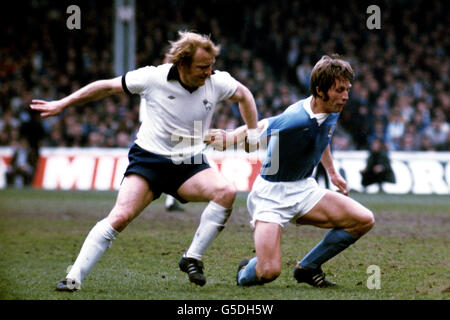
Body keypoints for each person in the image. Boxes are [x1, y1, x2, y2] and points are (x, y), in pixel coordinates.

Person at [30, 31, 259, 291]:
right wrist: (64, 103)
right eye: (202, 67)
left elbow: (245, 95)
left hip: (189, 162)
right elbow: (106, 87)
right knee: (120, 217)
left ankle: (192, 257)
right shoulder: (153, 77)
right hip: (149, 161)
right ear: (182, 64)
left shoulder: (217, 81)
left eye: (211, 66)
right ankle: (74, 278)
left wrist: (252, 133)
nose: (209, 72)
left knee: (226, 192)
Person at [207, 55, 375, 287]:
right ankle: (246, 271)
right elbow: (262, 125)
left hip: (304, 189)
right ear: (320, 89)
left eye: (347, 89)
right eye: (339, 90)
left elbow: (322, 138)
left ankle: (307, 267)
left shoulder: (332, 108)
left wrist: (333, 173)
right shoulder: (295, 119)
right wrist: (230, 137)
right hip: (271, 196)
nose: (345, 96)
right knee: (268, 272)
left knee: (363, 220)